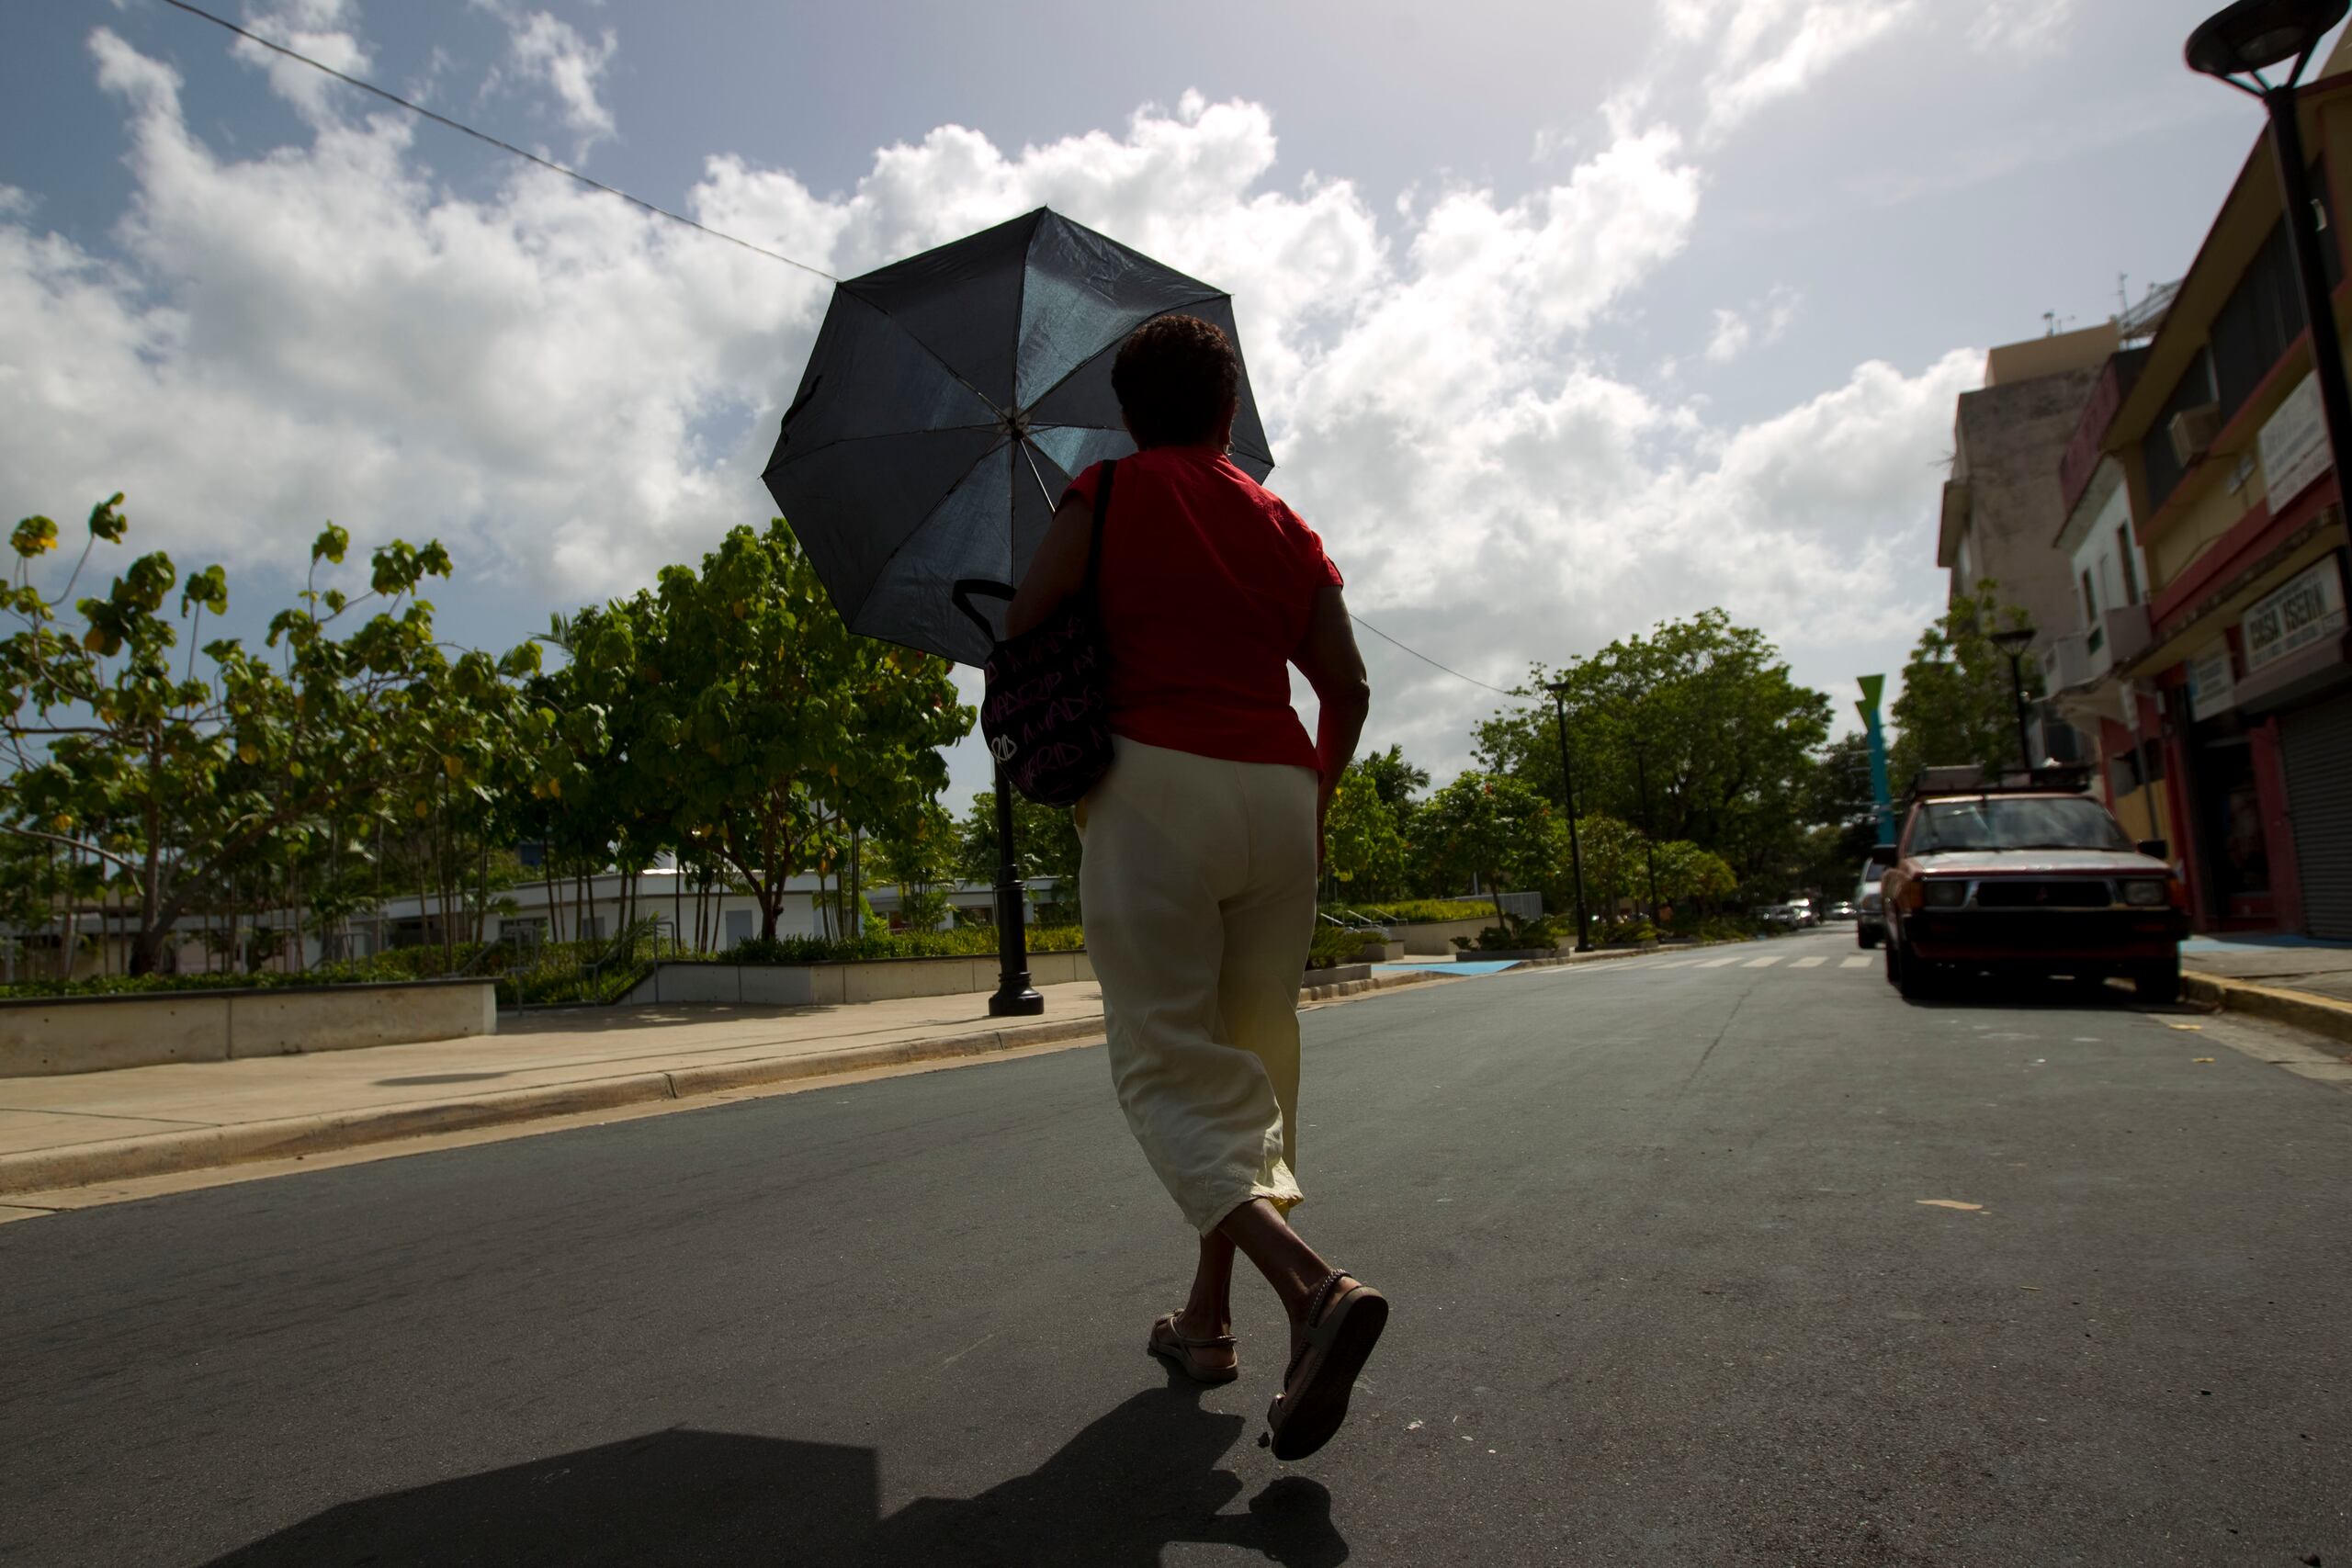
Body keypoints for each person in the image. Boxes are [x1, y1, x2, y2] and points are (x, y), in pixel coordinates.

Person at [1007, 313, 1385, 1463]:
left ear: (1127, 412)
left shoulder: (1106, 494)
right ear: (1230, 415)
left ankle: (1310, 1288)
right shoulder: (1284, 522)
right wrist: (1309, 805)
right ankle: (1210, 1323)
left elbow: (1025, 632)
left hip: (1153, 788)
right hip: (1278, 797)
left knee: (1167, 1061)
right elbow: (1348, 688)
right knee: (1251, 1058)